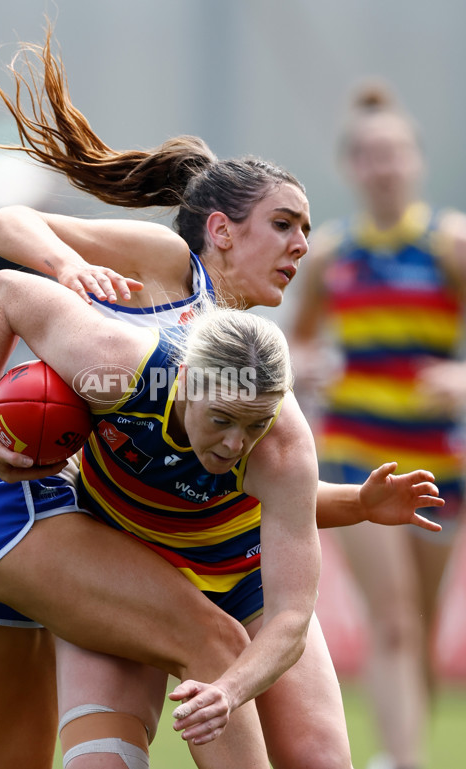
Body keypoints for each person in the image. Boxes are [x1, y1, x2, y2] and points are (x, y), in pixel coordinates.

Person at [0, 28, 443, 769]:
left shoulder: (256, 381)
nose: (303, 243)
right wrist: (70, 267)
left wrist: (359, 504)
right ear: (221, 233)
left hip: (232, 558)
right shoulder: (155, 291)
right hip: (129, 542)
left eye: (306, 229)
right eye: (285, 225)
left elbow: (272, 487)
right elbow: (2, 235)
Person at [287, 81, 466, 769]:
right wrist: (304, 367)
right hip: (358, 451)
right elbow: (298, 342)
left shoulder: (448, 245)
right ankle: (400, 758)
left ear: (415, 162)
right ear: (350, 167)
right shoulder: (331, 255)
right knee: (391, 619)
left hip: (438, 458)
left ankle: (402, 748)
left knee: (419, 627)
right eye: (369, 154)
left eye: (394, 152)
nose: (383, 165)